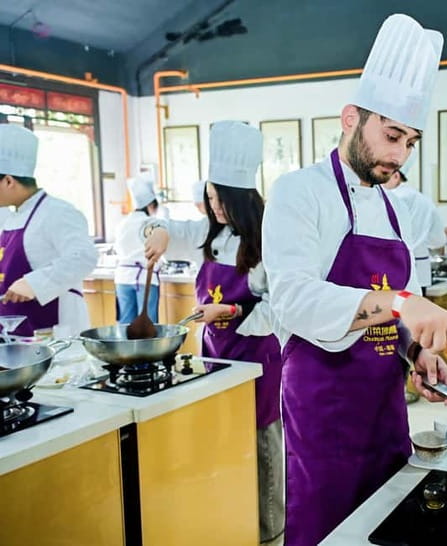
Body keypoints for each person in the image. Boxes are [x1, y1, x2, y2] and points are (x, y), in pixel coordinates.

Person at [262, 15, 447, 546]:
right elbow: (293, 299)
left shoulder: (394, 207)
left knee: (388, 524)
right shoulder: (298, 192)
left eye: (411, 142)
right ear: (351, 118)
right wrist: (402, 304)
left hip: (385, 407)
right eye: (391, 135)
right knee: (328, 529)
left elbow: (400, 312)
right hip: (323, 411)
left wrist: (417, 353)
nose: (398, 154)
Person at [143, 121, 284, 543]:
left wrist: (234, 309)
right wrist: (158, 231)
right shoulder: (212, 233)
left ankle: (270, 526)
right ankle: (231, 512)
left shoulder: (271, 237)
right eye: (208, 198)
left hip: (258, 356)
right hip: (216, 354)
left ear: (241, 198)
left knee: (262, 440)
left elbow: (282, 307)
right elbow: (160, 228)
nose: (214, 207)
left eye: (221, 200)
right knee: (223, 435)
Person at [0, 124, 97, 336]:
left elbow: (84, 256)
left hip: (51, 330)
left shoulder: (57, 212)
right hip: (13, 329)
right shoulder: (9, 217)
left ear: (8, 181)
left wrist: (34, 283)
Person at [384, 151, 446, 294]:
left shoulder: (391, 198)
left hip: (394, 269)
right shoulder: (425, 201)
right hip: (421, 273)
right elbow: (438, 240)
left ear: (396, 176)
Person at [114, 173, 162, 323]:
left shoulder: (123, 223)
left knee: (125, 325)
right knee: (147, 326)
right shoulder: (151, 223)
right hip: (144, 278)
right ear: (150, 205)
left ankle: (124, 348)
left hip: (123, 277)